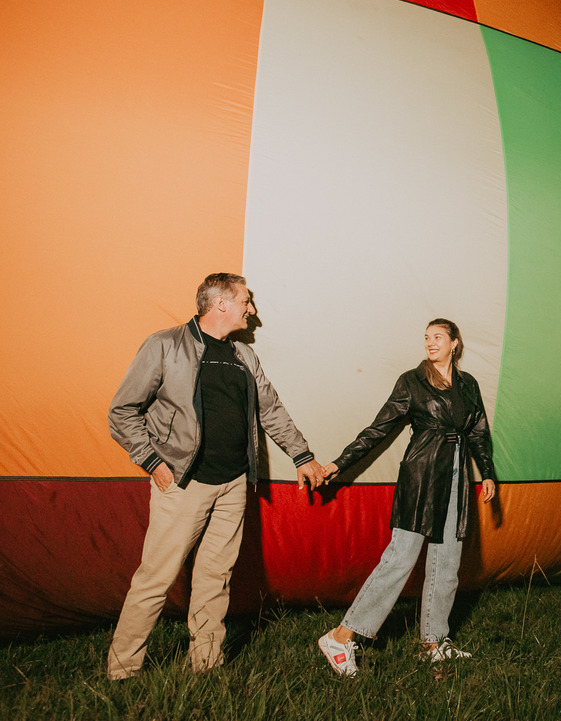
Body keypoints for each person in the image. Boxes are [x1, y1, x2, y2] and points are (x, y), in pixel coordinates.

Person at [107, 273, 325, 680]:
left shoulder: (244, 355)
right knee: (156, 578)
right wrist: (152, 462)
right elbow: (122, 411)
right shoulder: (165, 345)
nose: (252, 310)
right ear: (221, 303)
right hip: (183, 483)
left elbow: (270, 409)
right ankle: (123, 670)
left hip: (233, 484)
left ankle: (206, 664)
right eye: (246, 301)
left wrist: (302, 455)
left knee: (216, 578)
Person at [317, 318, 497, 677]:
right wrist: (340, 462)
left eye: (438, 337)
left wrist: (487, 472)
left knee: (447, 562)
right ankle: (340, 637)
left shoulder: (468, 385)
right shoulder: (412, 381)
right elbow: (379, 429)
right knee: (400, 558)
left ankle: (434, 643)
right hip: (421, 475)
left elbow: (478, 431)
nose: (430, 343)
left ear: (455, 343)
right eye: (427, 337)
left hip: (456, 474)